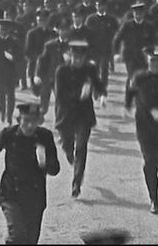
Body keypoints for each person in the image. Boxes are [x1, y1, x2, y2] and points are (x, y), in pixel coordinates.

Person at [0, 103, 60, 244]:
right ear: (19, 121)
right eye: (26, 121)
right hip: (11, 193)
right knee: (17, 236)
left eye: (34, 122)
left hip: (35, 198)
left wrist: (44, 161)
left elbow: (55, 170)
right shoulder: (9, 134)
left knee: (30, 240)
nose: (30, 126)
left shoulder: (45, 136)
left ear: (39, 121)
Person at [125, 47, 158, 213]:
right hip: (144, 126)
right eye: (152, 60)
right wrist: (128, 105)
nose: (155, 64)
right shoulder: (140, 77)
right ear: (148, 61)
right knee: (150, 162)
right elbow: (131, 91)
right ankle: (154, 199)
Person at [54, 40, 106, 198]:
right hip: (66, 115)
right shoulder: (62, 71)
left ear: (84, 58)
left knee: (81, 147)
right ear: (70, 56)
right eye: (75, 57)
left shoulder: (89, 69)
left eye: (80, 58)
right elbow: (60, 95)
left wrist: (101, 95)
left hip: (84, 115)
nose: (77, 60)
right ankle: (72, 159)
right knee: (68, 148)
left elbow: (98, 83)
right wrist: (80, 95)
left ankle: (76, 183)